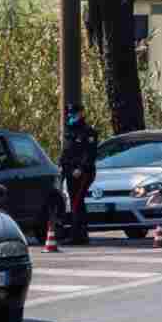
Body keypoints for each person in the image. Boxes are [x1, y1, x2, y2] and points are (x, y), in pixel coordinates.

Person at [58, 103, 98, 246]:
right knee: (75, 202)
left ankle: (78, 235)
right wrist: (60, 164)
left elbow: (90, 153)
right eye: (69, 113)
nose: (70, 115)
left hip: (83, 173)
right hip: (69, 171)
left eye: (73, 113)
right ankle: (80, 233)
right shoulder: (69, 131)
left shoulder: (88, 131)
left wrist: (81, 168)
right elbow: (66, 151)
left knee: (76, 202)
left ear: (81, 113)